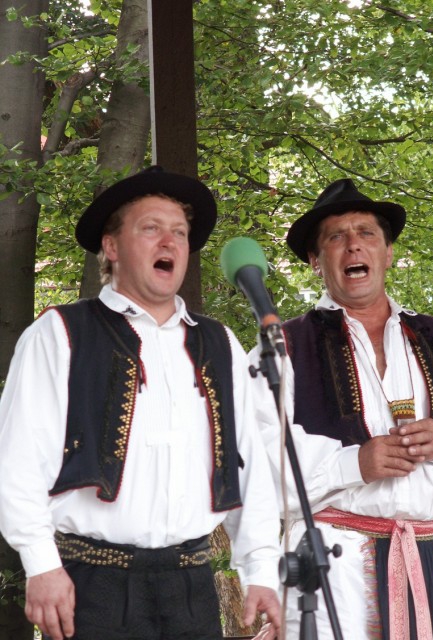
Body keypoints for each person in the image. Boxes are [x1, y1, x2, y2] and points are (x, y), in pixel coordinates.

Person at [0, 165, 282, 640]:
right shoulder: (60, 332)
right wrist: (41, 563)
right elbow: (17, 460)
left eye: (180, 232)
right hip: (92, 584)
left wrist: (262, 570)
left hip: (191, 587)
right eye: (151, 228)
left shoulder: (219, 342)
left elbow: (249, 462)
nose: (169, 242)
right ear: (111, 247)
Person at [249, 178, 433, 640]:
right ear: (316, 261)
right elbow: (254, 468)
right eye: (336, 237)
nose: (353, 244)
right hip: (334, 570)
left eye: (367, 233)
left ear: (387, 253)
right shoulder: (283, 348)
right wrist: (354, 464)